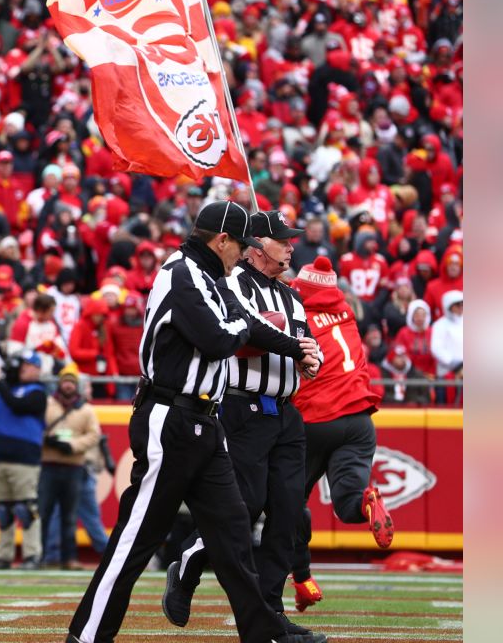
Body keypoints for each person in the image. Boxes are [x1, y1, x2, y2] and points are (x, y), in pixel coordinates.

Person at [66, 201, 323, 643]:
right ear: (221, 240)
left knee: (235, 535)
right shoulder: (181, 272)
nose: (243, 254)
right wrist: (248, 328)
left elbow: (245, 326)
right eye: (240, 245)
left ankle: (264, 634)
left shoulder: (209, 276)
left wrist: (293, 346)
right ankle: (86, 637)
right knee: (136, 539)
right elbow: (219, 337)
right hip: (171, 418)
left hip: (206, 422)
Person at [163, 211, 323, 638]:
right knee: (245, 506)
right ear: (257, 246)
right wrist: (293, 347)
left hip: (286, 411)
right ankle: (191, 560)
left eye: (291, 240)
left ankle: (270, 612)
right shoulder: (233, 283)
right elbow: (244, 334)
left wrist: (311, 359)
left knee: (288, 514)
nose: (291, 247)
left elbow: (309, 343)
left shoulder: (291, 295)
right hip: (243, 406)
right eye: (282, 240)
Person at [288, 256, 394, 613]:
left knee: (289, 503)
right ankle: (367, 500)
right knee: (348, 505)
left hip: (317, 416)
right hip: (359, 419)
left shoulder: (297, 312)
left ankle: (303, 579)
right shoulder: (346, 312)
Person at [0, 350, 48, 570]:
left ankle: (32, 555)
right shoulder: (4, 390)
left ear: (37, 368)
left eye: (27, 365)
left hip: (24, 458)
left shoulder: (37, 392)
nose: (23, 369)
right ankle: (3, 555)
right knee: (4, 509)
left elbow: (17, 406)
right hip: (0, 456)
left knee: (26, 508)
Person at [39, 363, 101, 571]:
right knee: (44, 513)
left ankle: (69, 558)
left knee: (69, 516)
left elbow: (94, 435)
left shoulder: (86, 409)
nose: (68, 386)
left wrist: (72, 446)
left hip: (74, 467)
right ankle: (42, 556)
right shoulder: (47, 405)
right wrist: (48, 440)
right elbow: (36, 427)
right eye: (65, 382)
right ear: (59, 384)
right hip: (48, 465)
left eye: (71, 382)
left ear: (77, 386)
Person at [429, 290, 463, 406]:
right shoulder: (440, 325)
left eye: (462, 304)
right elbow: (436, 348)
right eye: (457, 304)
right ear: (449, 306)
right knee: (445, 406)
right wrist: (454, 363)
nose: (460, 307)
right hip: (447, 373)